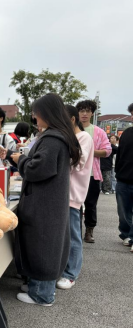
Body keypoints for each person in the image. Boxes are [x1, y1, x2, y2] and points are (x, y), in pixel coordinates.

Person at [10, 94, 82, 307]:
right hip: (49, 201)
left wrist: (20, 159)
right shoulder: (59, 136)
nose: (34, 117)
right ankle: (36, 286)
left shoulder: (52, 139)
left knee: (42, 245)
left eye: (36, 113)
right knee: (43, 244)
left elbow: (37, 169)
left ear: (46, 113)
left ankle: (42, 294)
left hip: (44, 203)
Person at [56, 106, 95, 290]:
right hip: (63, 193)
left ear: (72, 119)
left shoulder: (83, 137)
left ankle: (71, 274)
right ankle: (64, 270)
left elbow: (77, 163)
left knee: (73, 236)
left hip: (73, 193)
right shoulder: (70, 137)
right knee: (65, 235)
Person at [76, 100, 112, 244]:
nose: (84, 114)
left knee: (91, 204)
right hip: (75, 174)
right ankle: (76, 230)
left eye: (88, 111)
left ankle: (89, 230)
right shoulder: (72, 129)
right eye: (82, 111)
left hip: (92, 174)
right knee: (75, 204)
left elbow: (107, 151)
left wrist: (90, 151)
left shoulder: (98, 131)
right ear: (77, 113)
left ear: (92, 113)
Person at [115, 104, 133, 253]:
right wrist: (118, 171)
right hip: (123, 179)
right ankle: (126, 234)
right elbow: (120, 154)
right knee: (123, 211)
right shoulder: (126, 133)